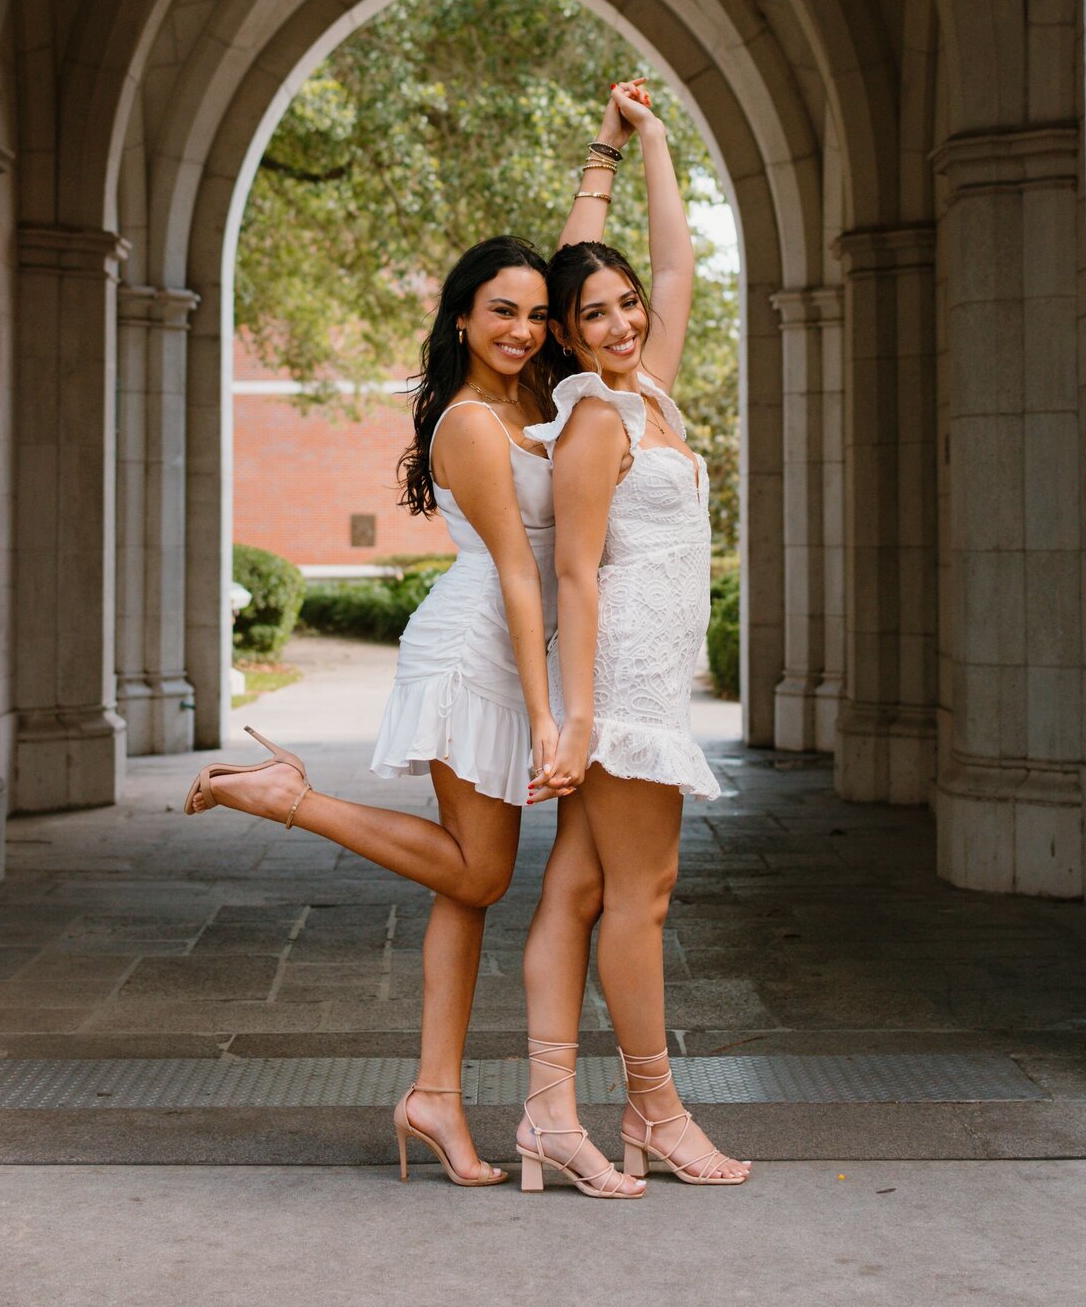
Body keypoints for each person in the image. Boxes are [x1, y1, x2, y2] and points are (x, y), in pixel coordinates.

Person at [184, 92, 643, 1189]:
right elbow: (525, 572)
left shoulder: (532, 389)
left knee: (462, 881)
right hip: (479, 648)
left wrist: (606, 154)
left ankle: (436, 1096)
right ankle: (287, 795)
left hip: (500, 644)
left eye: (537, 313)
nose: (528, 327)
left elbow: (578, 261)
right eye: (503, 311)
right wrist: (547, 715)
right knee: (483, 875)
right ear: (458, 319)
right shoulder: (475, 422)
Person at [516, 83, 750, 1191]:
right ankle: (655, 1109)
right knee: (641, 898)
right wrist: (578, 717)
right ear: (566, 337)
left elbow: (676, 269)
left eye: (623, 306)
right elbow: (573, 570)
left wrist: (640, 140)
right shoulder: (593, 416)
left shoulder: (647, 389)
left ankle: (546, 1112)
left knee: (576, 889)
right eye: (595, 314)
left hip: (651, 678)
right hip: (619, 689)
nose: (623, 319)